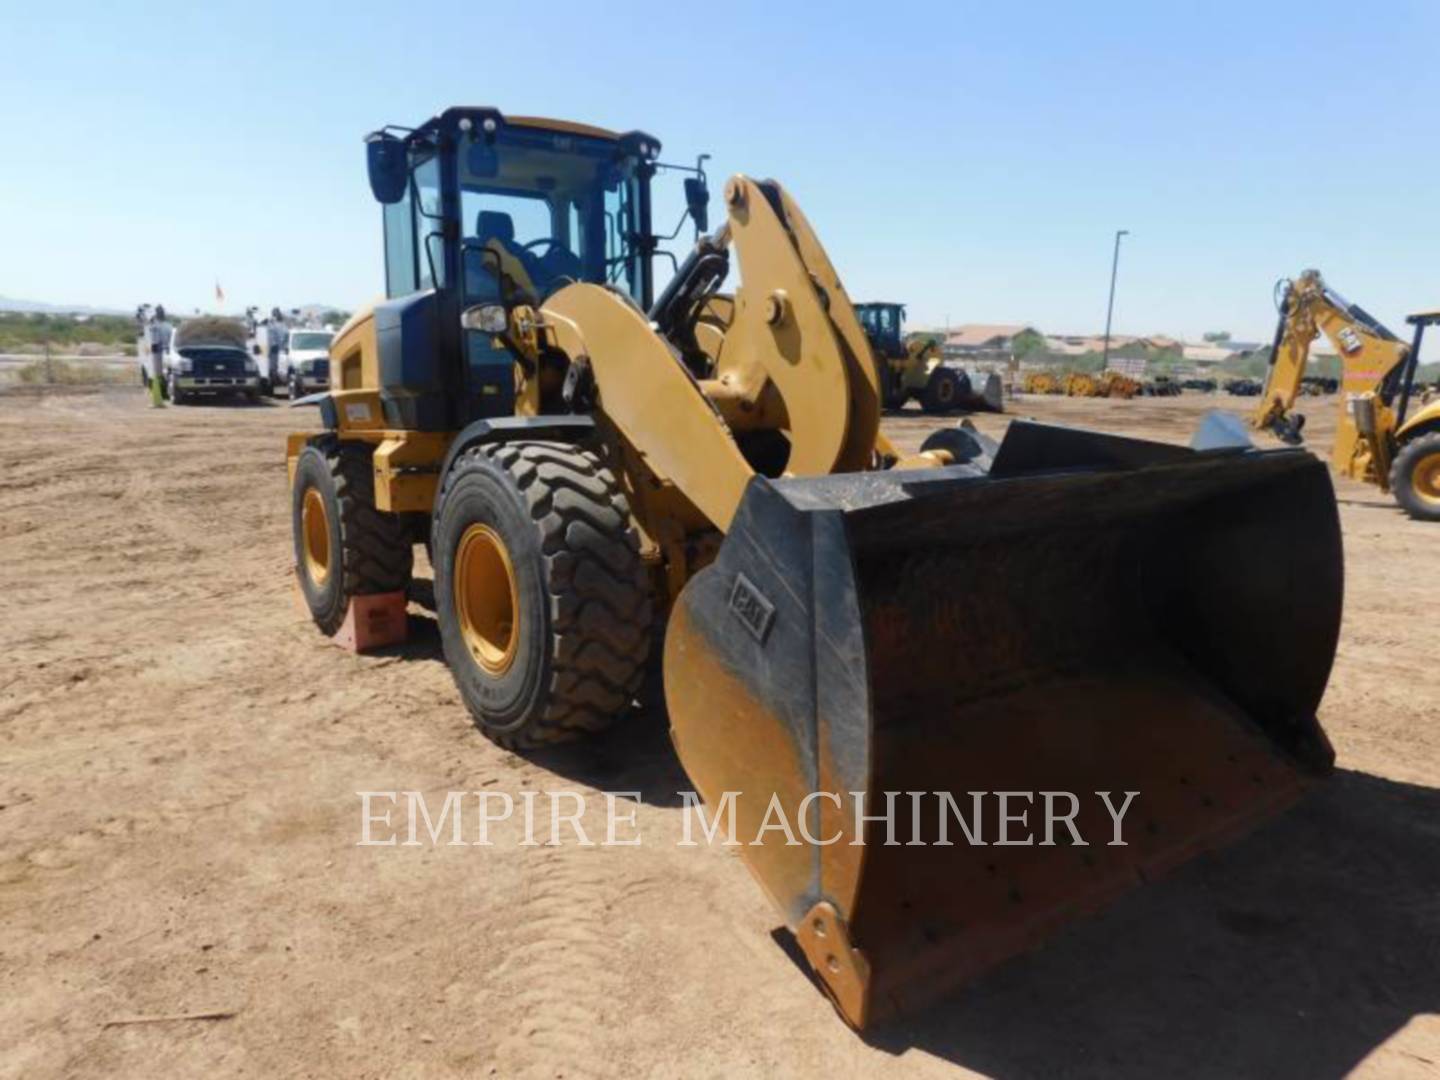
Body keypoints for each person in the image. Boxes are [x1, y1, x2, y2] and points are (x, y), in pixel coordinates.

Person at [146, 305, 173, 408]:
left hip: (158, 353)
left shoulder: (155, 326)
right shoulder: (169, 326)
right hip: (168, 351)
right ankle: (165, 396)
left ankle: (159, 399)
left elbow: (154, 342)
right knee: (165, 375)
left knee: (157, 376)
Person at [266, 307, 288, 386]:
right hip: (273, 348)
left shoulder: (282, 324)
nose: (276, 315)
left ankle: (277, 380)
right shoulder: (270, 323)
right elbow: (270, 335)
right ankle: (274, 381)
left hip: (281, 349)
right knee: (272, 366)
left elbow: (285, 335)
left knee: (280, 366)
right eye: (275, 313)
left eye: (277, 313)